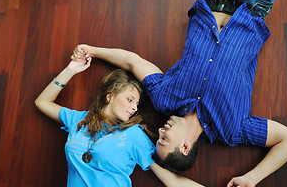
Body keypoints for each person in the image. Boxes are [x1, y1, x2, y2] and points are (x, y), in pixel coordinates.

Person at [71, 0, 287, 186]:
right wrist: (251, 178)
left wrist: (94, 50)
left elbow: (133, 61)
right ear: (184, 147)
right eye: (163, 140)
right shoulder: (232, 130)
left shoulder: (164, 100)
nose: (160, 131)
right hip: (255, 3)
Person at [35, 54, 204, 187]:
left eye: (137, 104)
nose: (134, 107)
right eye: (130, 100)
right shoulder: (79, 120)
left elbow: (173, 181)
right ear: (110, 96)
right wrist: (71, 69)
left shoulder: (134, 135)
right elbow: (42, 102)